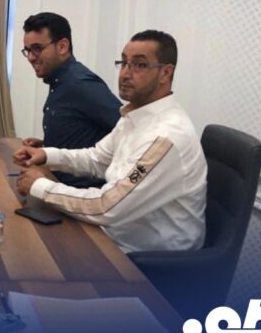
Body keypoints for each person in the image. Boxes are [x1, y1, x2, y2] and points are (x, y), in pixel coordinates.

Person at [13, 30, 207, 253]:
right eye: (123, 63)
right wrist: (47, 155)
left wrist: (40, 186)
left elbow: (107, 206)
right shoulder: (134, 116)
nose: (125, 73)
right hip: (111, 234)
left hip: (143, 259)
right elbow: (96, 159)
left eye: (139, 65)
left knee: (28, 252)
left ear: (165, 73)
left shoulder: (166, 137)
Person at [20, 12, 121, 187]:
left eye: (37, 48)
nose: (30, 57)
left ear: (62, 46)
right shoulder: (59, 80)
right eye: (27, 50)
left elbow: (126, 131)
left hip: (80, 192)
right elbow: (83, 128)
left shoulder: (81, 84)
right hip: (58, 183)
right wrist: (48, 144)